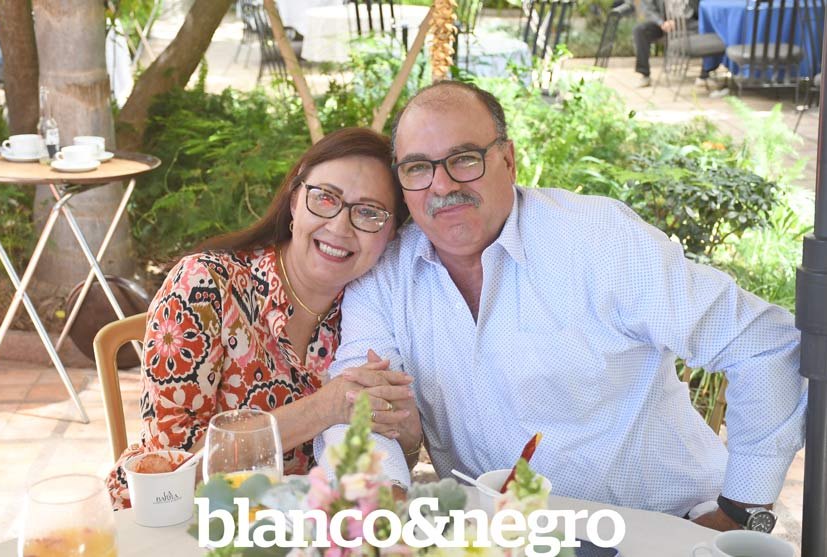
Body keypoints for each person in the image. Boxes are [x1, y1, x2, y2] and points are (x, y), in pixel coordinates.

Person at [317, 82, 806, 532]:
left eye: (464, 159)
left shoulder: (598, 242)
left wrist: (741, 513)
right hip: (499, 537)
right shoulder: (386, 277)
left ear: (508, 159)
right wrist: (380, 504)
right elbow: (356, 408)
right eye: (418, 168)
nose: (441, 186)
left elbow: (763, 344)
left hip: (660, 527)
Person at [107, 127, 421, 508]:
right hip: (182, 519)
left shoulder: (371, 315)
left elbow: (377, 466)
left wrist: (407, 437)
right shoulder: (205, 287)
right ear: (295, 200)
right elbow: (173, 472)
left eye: (369, 213)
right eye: (325, 198)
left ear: (392, 234)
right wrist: (325, 408)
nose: (339, 227)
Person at [632, 0, 722, 90]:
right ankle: (644, 74)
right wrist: (661, 22)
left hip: (689, 23)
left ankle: (705, 75)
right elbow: (648, 10)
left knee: (713, 31)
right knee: (640, 30)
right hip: (664, 23)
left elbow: (702, 7)